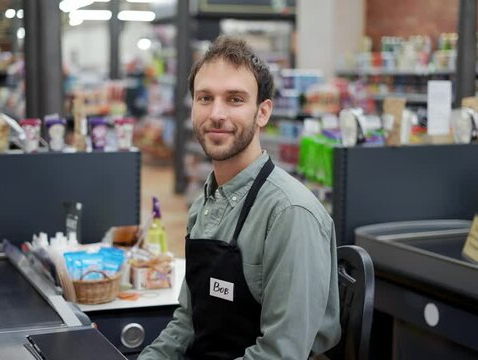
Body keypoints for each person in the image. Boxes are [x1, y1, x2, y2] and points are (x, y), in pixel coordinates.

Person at [138, 36, 341, 360]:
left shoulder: (289, 213)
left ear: (262, 112)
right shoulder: (206, 202)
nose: (217, 114)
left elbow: (281, 354)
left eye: (234, 99)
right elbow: (188, 322)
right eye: (205, 98)